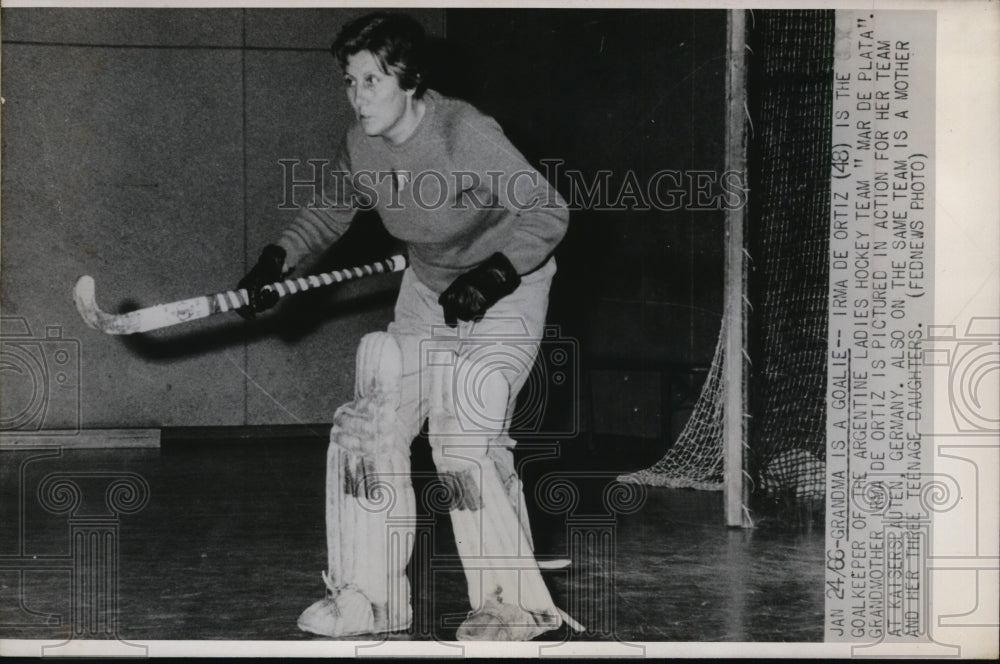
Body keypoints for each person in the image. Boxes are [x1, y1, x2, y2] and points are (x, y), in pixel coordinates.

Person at [237, 12, 575, 641]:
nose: (358, 96)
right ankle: (370, 599)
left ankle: (510, 605)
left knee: (465, 430)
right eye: (349, 81)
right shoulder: (362, 145)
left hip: (509, 287)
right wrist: (275, 260)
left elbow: (548, 211)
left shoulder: (463, 133)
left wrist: (495, 276)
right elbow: (329, 211)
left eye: (372, 80)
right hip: (429, 293)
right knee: (370, 426)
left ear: (410, 80)